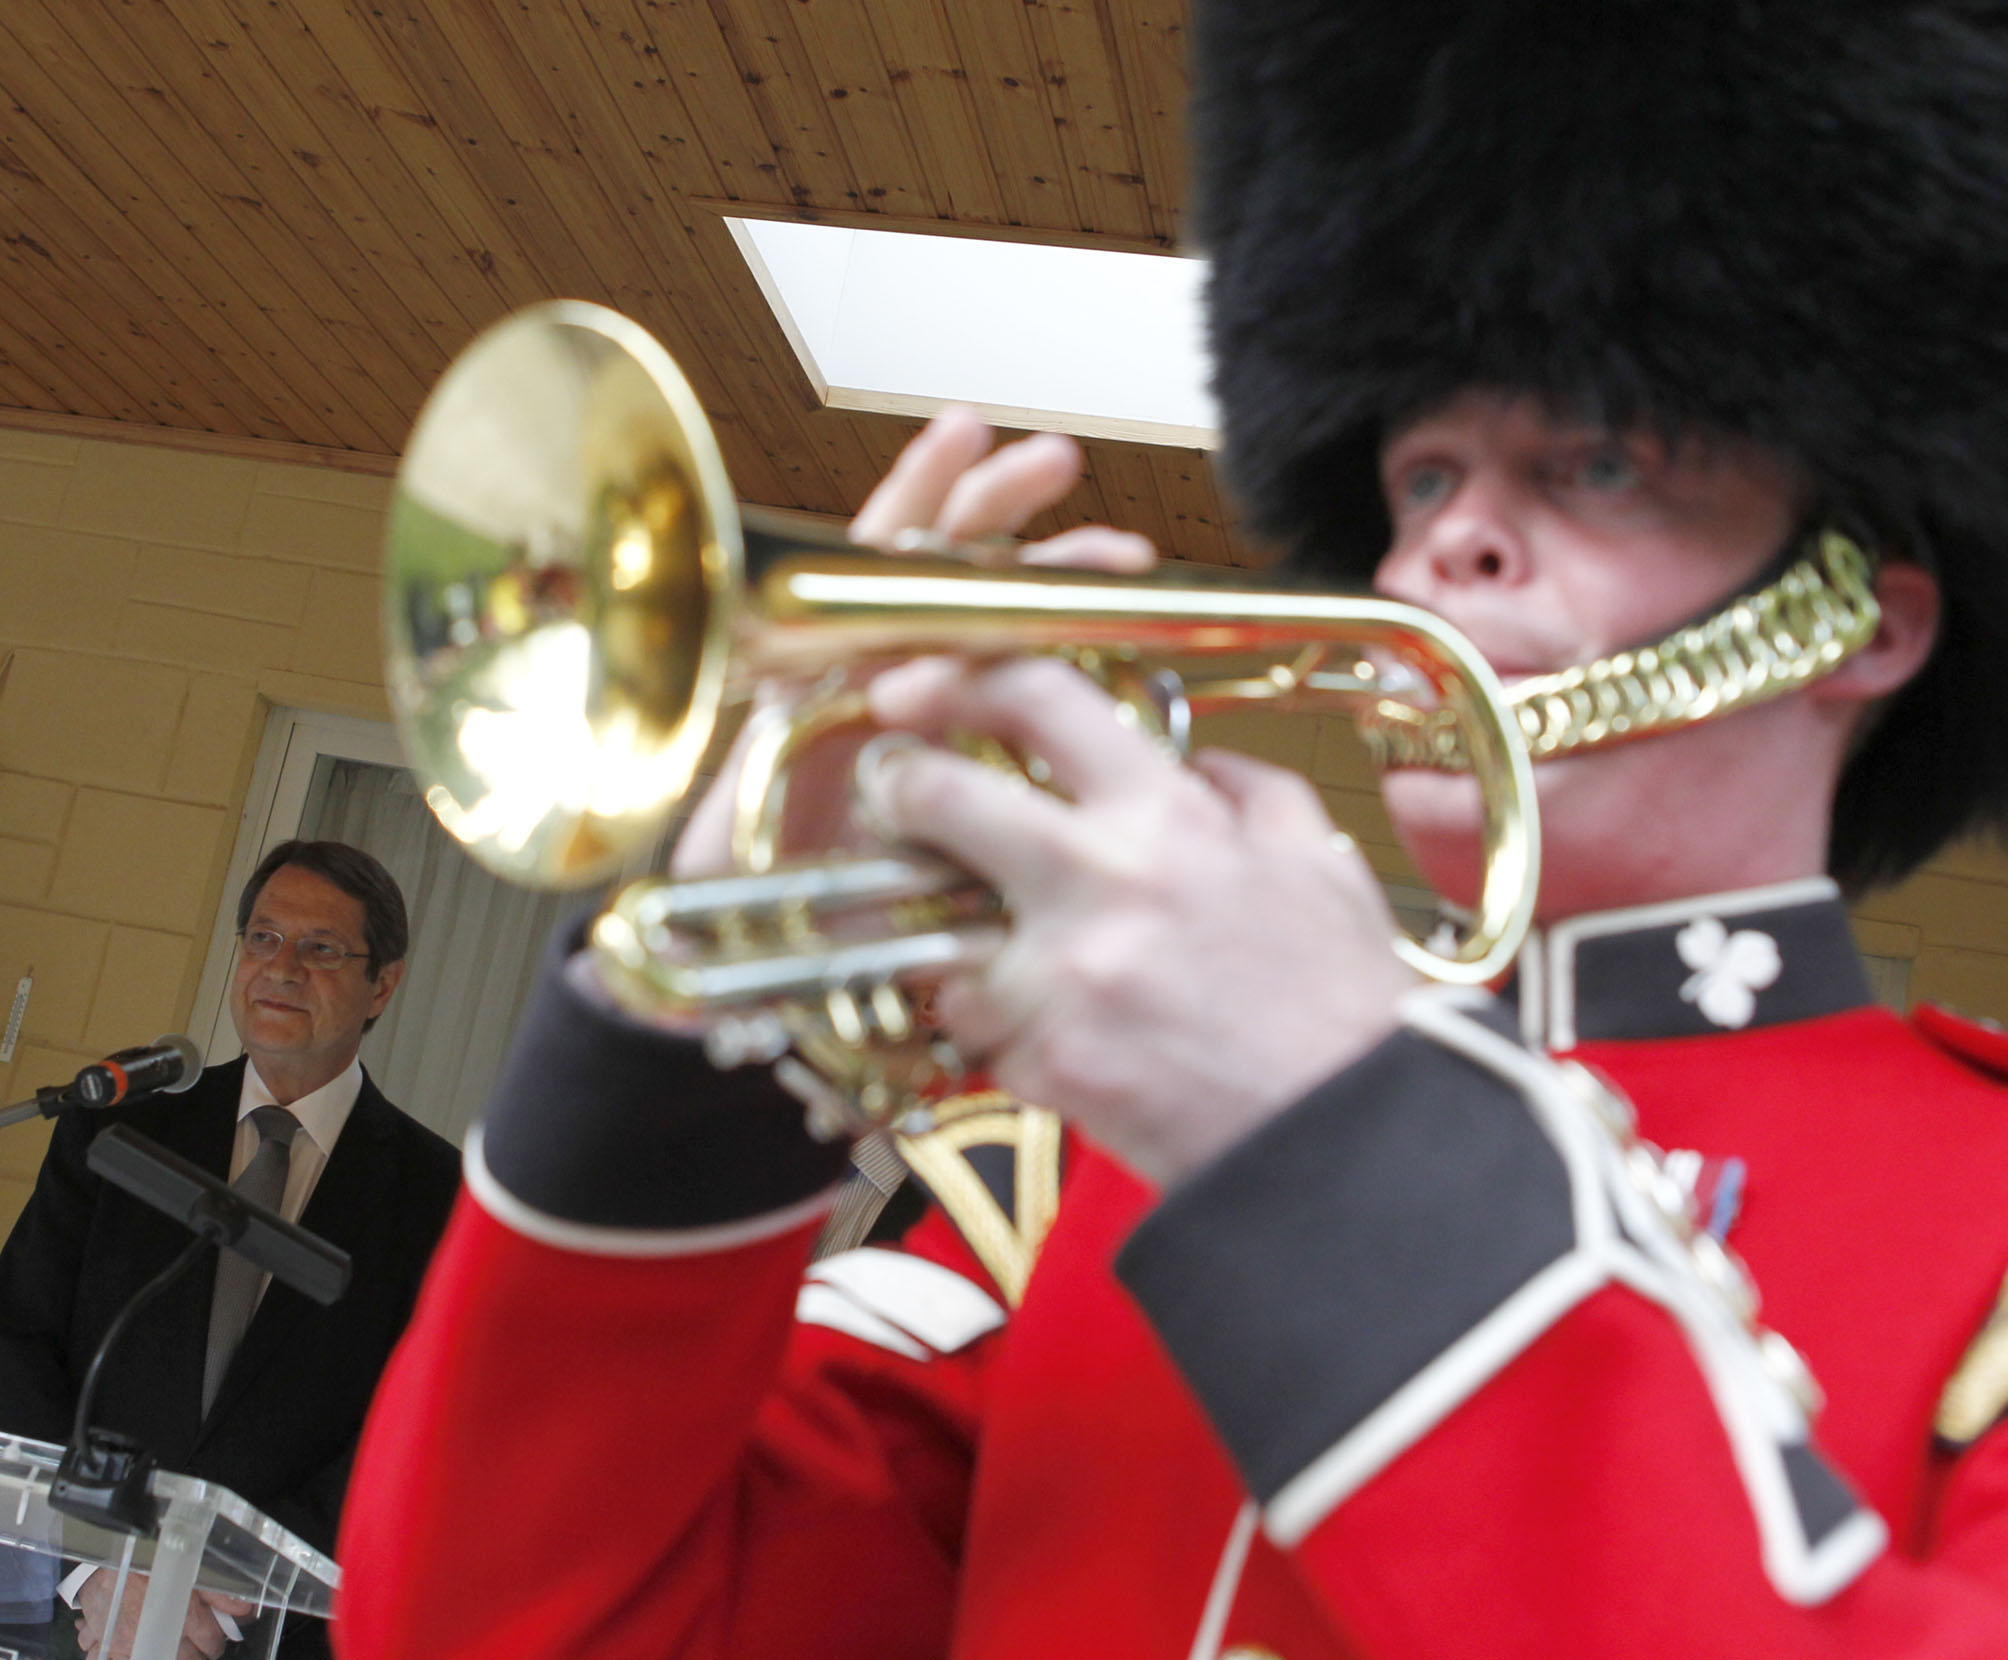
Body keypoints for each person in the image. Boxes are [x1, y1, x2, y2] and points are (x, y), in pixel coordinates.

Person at [335, 1, 2008, 1655]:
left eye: (1596, 466)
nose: (1451, 544)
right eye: (1421, 481)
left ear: (1862, 623)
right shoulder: (1075, 1162)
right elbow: (497, 1627)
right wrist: (701, 1020)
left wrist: (1333, 1152)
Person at [0, 841, 460, 1659]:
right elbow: (17, 1338)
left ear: (382, 984)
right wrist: (99, 1568)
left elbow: (417, 1435)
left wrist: (209, 1590)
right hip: (64, 1615)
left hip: (263, 1633)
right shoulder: (120, 1126)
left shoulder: (440, 1196)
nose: (281, 968)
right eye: (262, 938)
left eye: (320, 949)